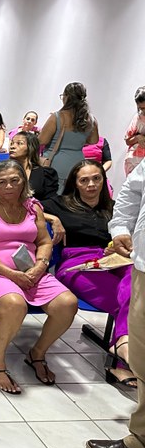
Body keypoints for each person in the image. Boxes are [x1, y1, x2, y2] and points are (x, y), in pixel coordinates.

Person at [0, 160, 78, 394]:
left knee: (68, 303)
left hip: (30, 271)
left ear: (23, 182)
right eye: (2, 182)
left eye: (14, 180)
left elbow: (44, 242)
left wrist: (40, 266)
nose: (8, 186)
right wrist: (11, 274)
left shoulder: (33, 207)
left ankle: (37, 353)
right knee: (14, 304)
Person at [43, 160, 135, 386]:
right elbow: (27, 205)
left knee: (137, 279)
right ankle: (122, 362)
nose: (91, 184)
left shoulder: (114, 208)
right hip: (77, 263)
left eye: (96, 178)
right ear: (75, 183)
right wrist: (53, 218)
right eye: (84, 180)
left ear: (104, 180)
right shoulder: (60, 204)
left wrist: (119, 244)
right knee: (130, 302)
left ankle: (123, 346)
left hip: (114, 259)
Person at [86, 159, 145, 448]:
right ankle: (140, 439)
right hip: (143, 266)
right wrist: (121, 227)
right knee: (141, 360)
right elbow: (133, 189)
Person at [38, 82, 99, 192]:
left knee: (52, 197)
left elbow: (42, 140)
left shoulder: (57, 117)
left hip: (55, 163)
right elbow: (94, 140)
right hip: (78, 164)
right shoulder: (90, 119)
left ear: (66, 97)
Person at [123, 86, 145, 176]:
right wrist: (138, 138)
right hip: (135, 160)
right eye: (141, 108)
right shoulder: (137, 118)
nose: (143, 111)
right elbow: (128, 140)